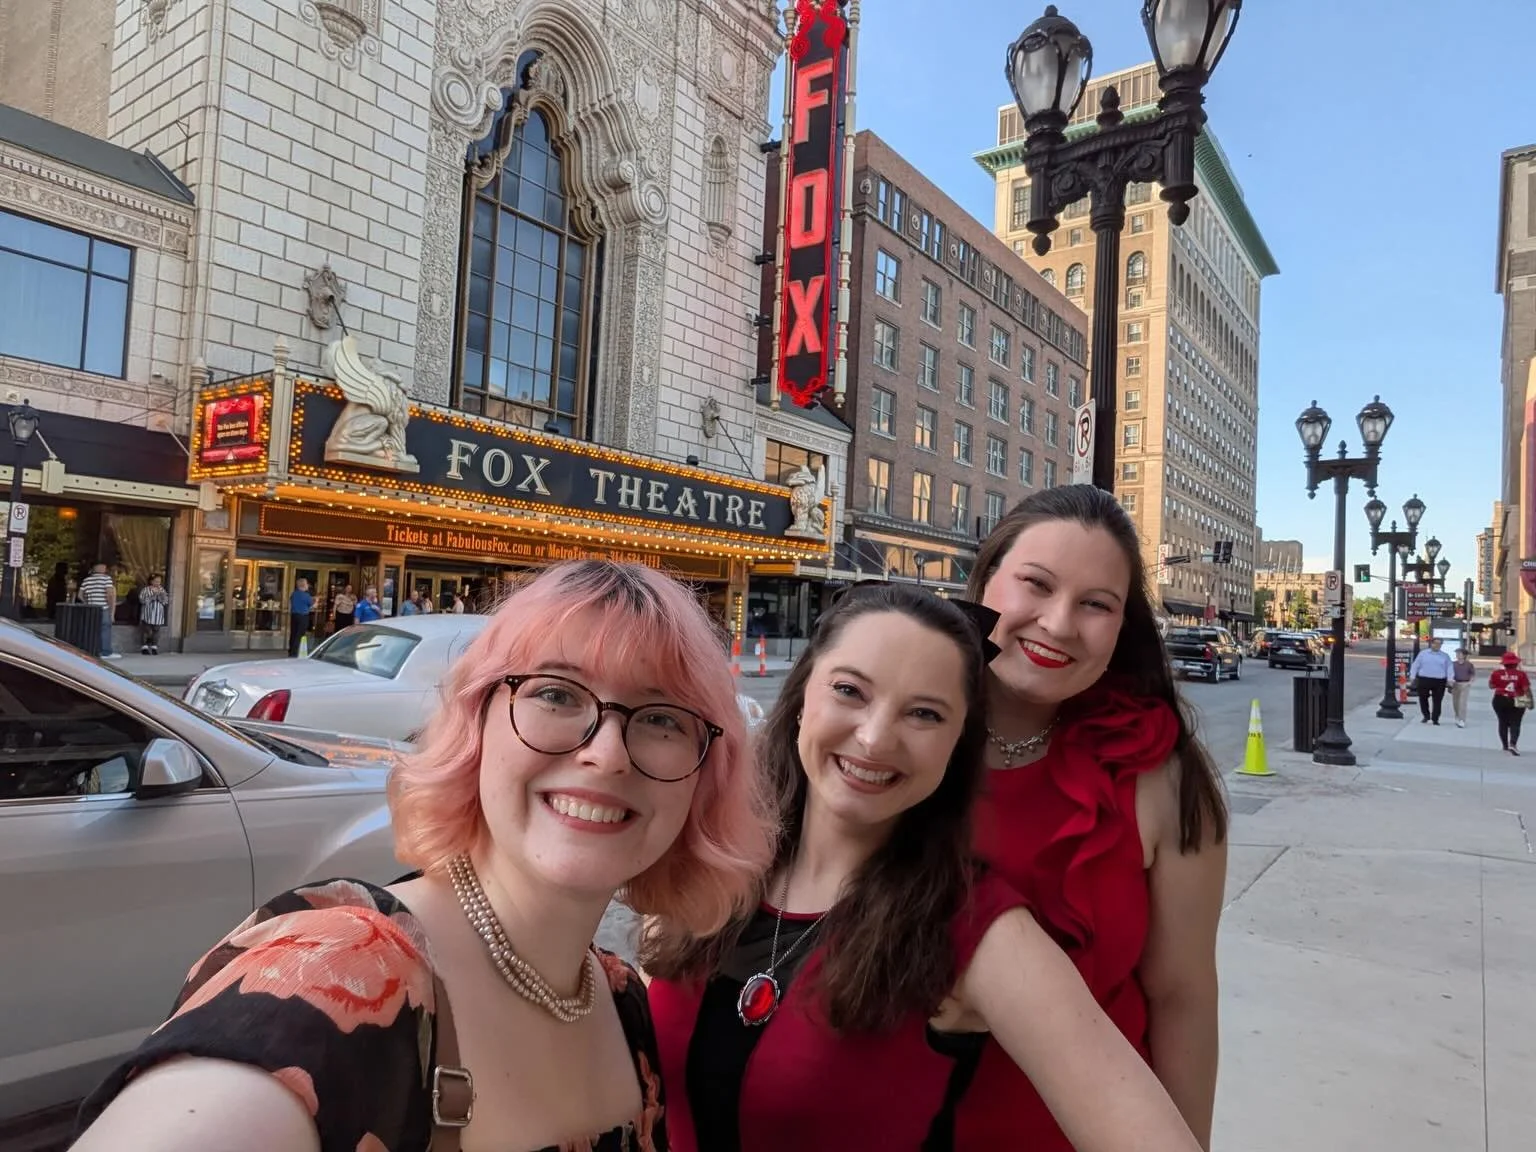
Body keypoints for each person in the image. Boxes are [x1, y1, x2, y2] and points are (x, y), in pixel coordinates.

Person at [72, 560, 774, 1152]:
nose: (605, 752)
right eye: (556, 694)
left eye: (659, 719)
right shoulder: (337, 972)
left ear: (704, 772)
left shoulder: (619, 999)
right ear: (475, 727)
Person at [644, 582, 1203, 1152]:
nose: (875, 737)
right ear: (802, 695)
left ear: (957, 743)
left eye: (924, 714)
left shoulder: (979, 931)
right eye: (849, 691)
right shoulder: (710, 862)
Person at [957, 485, 1228, 1151]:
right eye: (1036, 585)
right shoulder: (888, 736)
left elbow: (1183, 999)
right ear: (987, 579)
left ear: (1123, 625)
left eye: (1096, 604)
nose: (1056, 623)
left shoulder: (1163, 777)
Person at [1489, 650, 1531, 755]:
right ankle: (1513, 743)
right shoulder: (1521, 674)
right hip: (1518, 698)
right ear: (1516, 663)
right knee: (1516, 722)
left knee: (1502, 722)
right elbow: (1526, 689)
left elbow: (1491, 686)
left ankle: (1505, 745)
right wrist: (1530, 701)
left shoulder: (1496, 673)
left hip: (1500, 699)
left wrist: (1501, 682)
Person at [78, 562, 118, 660]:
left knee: (92, 630)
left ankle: (92, 650)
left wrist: (87, 602)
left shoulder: (87, 580)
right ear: (102, 568)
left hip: (91, 608)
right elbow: (109, 594)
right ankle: (105, 652)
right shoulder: (106, 579)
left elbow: (80, 595)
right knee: (105, 629)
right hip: (103, 608)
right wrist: (111, 608)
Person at [1409, 636, 1454, 725]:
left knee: (1438, 700)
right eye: (1436, 643)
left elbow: (1450, 668)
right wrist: (1412, 676)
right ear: (1431, 644)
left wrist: (1450, 680)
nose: (1437, 645)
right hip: (1424, 679)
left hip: (1439, 680)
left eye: (1439, 644)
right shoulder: (1423, 654)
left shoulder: (1445, 656)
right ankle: (1426, 715)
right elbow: (1415, 665)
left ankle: (1435, 718)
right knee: (1423, 698)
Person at [138, 574, 170, 655]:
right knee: (147, 631)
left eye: (159, 581)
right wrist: (152, 596)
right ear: (151, 581)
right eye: (156, 581)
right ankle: (144, 647)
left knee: (156, 631)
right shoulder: (146, 590)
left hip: (158, 614)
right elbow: (142, 600)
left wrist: (161, 597)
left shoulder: (162, 590)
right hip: (148, 614)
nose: (157, 583)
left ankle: (154, 647)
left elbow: (166, 601)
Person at [1450, 646, 1476, 728]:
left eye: (1459, 653)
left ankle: (1462, 719)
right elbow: (1450, 674)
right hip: (1455, 684)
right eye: (1457, 653)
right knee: (1455, 702)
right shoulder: (1453, 664)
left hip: (1465, 684)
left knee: (1462, 702)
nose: (1457, 655)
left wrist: (1470, 682)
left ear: (1464, 655)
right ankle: (1457, 716)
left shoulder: (1469, 664)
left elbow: (1472, 674)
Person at [288, 577, 313, 658]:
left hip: (294, 615)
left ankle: (291, 652)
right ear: (303, 585)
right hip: (303, 616)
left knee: (293, 634)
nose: (308, 585)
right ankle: (295, 653)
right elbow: (311, 604)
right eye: (306, 584)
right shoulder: (306, 595)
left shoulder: (294, 594)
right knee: (299, 635)